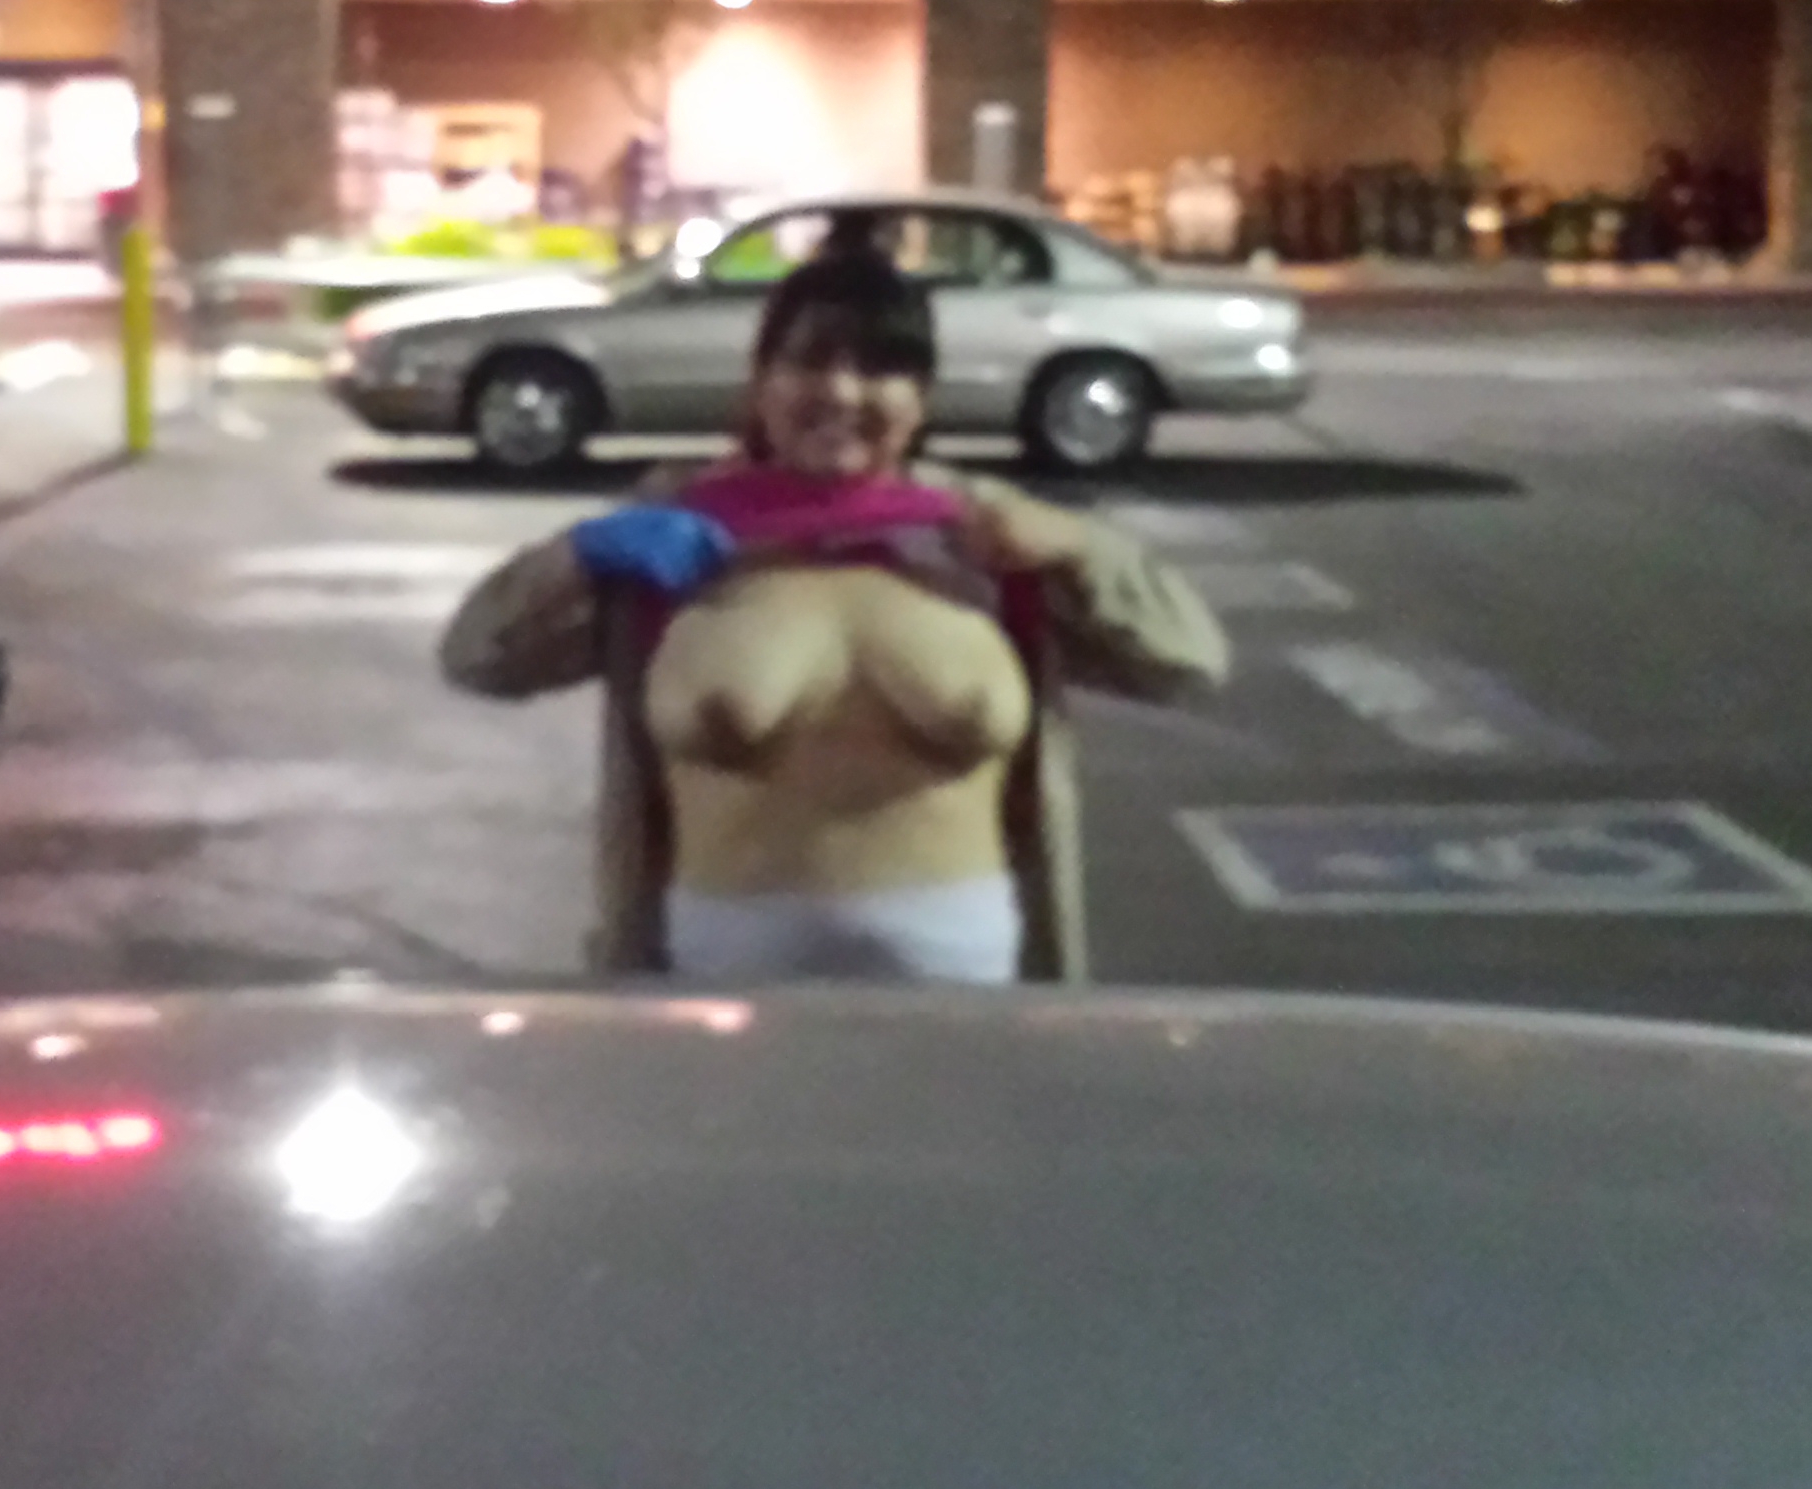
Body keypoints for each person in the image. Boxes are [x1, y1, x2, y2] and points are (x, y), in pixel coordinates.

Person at [437, 247, 1229, 984]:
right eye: (809, 361)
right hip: (720, 981)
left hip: (967, 979)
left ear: (921, 398)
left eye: (881, 367)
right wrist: (578, 556)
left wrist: (1082, 551)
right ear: (761, 384)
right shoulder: (680, 526)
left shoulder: (985, 534)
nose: (842, 393)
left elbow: (1187, 665)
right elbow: (478, 658)